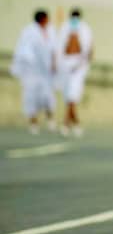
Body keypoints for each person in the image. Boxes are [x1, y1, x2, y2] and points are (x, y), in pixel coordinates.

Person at [11, 9, 57, 134]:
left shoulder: (50, 31)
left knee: (48, 96)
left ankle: (51, 120)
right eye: (47, 18)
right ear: (42, 19)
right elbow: (24, 49)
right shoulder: (29, 31)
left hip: (45, 71)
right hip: (31, 71)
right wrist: (31, 62)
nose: (48, 21)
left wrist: (53, 63)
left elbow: (53, 48)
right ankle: (33, 123)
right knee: (30, 97)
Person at [56, 7, 93, 137]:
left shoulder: (85, 29)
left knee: (73, 93)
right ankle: (74, 123)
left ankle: (67, 122)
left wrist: (84, 64)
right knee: (68, 95)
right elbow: (59, 46)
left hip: (79, 64)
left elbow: (89, 49)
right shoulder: (64, 27)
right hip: (66, 63)